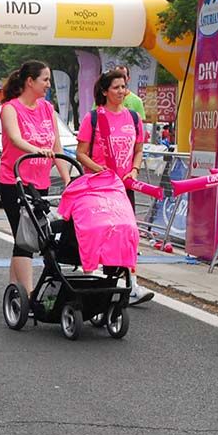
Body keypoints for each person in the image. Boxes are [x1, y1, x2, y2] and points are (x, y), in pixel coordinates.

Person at [75, 69, 153, 306]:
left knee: (129, 232)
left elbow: (139, 149)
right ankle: (93, 275)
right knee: (101, 230)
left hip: (123, 185)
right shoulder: (94, 118)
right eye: (116, 87)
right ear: (105, 91)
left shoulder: (133, 117)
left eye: (124, 87)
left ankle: (132, 283)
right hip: (99, 187)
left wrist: (135, 170)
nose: (121, 91)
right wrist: (97, 168)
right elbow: (81, 153)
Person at [0, 60, 72, 293]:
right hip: (15, 182)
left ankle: (14, 292)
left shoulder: (47, 108)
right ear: (30, 81)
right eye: (45, 80)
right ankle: (28, 296)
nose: (49, 84)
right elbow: (15, 138)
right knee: (27, 239)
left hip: (40, 184)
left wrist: (68, 179)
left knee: (27, 238)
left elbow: (57, 147)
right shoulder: (11, 108)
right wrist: (36, 149)